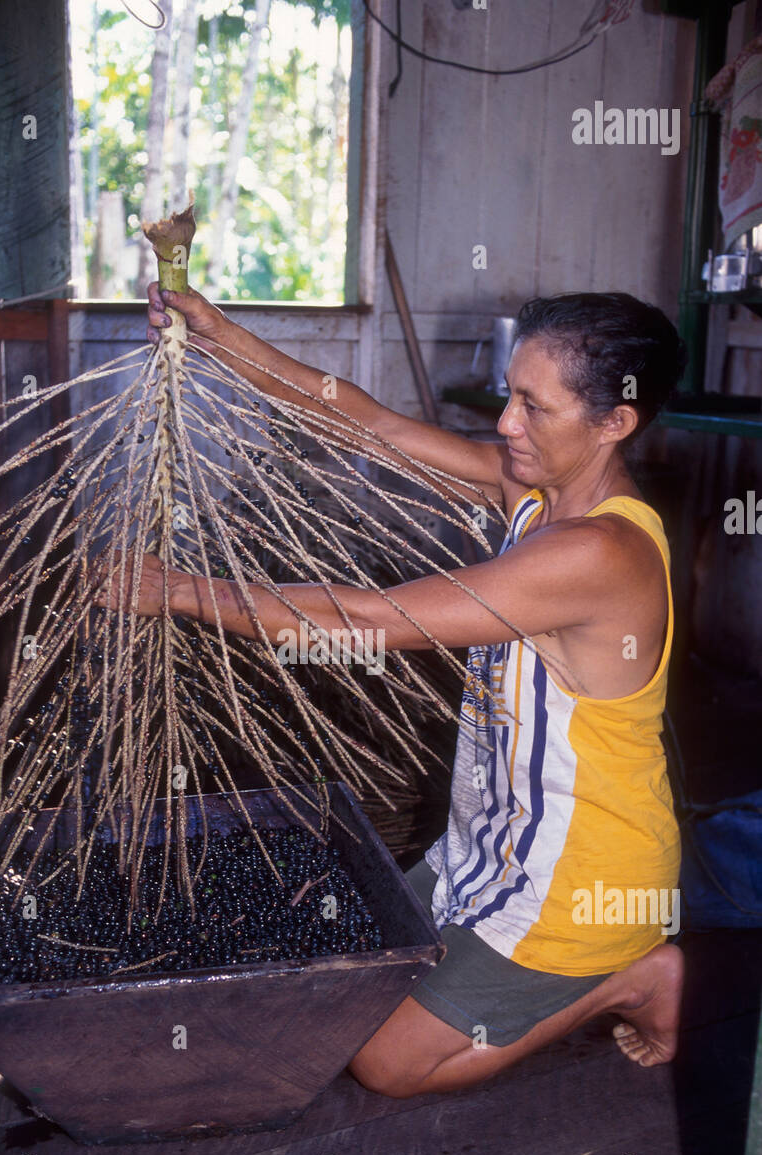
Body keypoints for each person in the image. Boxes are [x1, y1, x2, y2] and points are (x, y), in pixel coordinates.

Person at [94, 283, 686, 1099]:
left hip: (581, 880)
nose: (505, 422)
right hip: (488, 847)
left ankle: (630, 977)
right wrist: (216, 334)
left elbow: (365, 619)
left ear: (613, 421)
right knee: (338, 961)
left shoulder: (597, 554)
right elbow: (364, 421)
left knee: (384, 1062)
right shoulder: (532, 499)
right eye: (509, 395)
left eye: (531, 407)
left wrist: (183, 592)